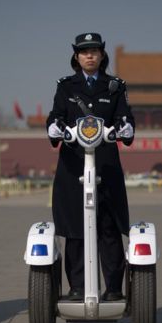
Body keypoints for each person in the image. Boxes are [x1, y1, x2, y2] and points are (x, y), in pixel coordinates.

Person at [46, 33, 135, 302]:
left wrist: (126, 127)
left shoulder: (115, 86)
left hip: (105, 166)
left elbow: (125, 119)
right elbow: (56, 117)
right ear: (76, 56)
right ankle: (76, 288)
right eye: (84, 52)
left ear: (102, 55)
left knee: (108, 227)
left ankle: (114, 289)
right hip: (73, 165)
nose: (89, 56)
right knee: (75, 229)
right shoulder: (66, 86)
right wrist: (53, 127)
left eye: (94, 51)